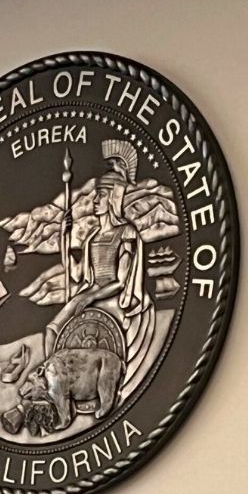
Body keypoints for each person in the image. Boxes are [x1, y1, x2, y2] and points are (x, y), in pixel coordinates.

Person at [44, 141, 155, 395]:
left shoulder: (125, 232)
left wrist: (93, 296)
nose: (94, 200)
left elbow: (123, 280)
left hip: (114, 297)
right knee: (51, 330)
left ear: (114, 197)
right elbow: (78, 275)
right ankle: (56, 385)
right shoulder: (92, 237)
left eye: (101, 195)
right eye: (95, 194)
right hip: (89, 292)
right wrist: (64, 237)